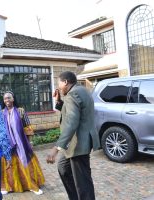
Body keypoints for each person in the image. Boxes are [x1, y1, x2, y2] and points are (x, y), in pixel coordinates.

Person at [46, 71, 100, 200]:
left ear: (65, 82)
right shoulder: (82, 90)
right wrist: (58, 101)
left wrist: (57, 147)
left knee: (83, 182)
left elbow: (71, 122)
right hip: (78, 143)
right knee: (63, 167)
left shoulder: (72, 95)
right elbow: (72, 111)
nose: (58, 86)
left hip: (78, 144)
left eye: (59, 83)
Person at [1, 91, 45, 195]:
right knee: (9, 166)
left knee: (25, 163)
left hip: (22, 143)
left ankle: (31, 185)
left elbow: (27, 127)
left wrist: (31, 141)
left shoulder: (20, 111)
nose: (7, 100)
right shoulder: (2, 112)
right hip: (8, 145)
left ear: (13, 99)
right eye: (5, 98)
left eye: (9, 98)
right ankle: (9, 186)